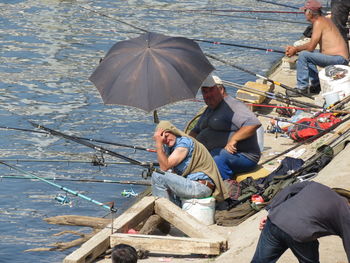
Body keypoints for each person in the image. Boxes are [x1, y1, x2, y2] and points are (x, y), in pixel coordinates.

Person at [251, 181, 350, 263]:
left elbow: (288, 190)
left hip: (275, 219)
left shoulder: (315, 185)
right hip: (300, 232)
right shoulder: (345, 211)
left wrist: (271, 211)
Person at [189, 74, 261, 181]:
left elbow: (253, 123)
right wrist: (185, 144)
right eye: (204, 92)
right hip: (211, 152)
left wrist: (234, 139)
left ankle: (225, 189)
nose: (207, 95)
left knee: (218, 156)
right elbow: (195, 131)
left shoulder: (232, 105)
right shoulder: (210, 108)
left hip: (244, 156)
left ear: (221, 90)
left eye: (211, 90)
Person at [151, 120, 228, 206]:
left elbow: (164, 167)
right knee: (163, 175)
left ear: (173, 132)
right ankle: (172, 208)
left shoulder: (184, 143)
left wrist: (158, 144)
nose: (165, 140)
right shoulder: (172, 147)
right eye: (162, 138)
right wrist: (162, 148)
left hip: (200, 187)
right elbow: (167, 169)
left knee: (158, 176)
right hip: (192, 184)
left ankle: (164, 210)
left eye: (166, 135)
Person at [285, 0, 349, 97]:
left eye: (305, 11)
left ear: (310, 13)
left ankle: (301, 88)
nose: (304, 14)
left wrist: (296, 49)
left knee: (304, 55)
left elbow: (311, 47)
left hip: (339, 59)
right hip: (338, 57)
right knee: (307, 56)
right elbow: (312, 44)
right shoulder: (324, 20)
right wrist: (295, 48)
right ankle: (316, 85)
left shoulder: (319, 22)